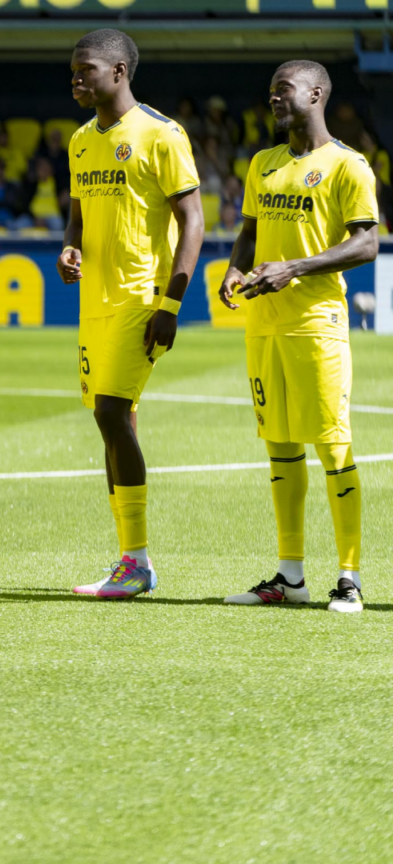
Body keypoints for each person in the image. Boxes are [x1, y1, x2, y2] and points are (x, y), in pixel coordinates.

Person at [217, 60, 380, 613]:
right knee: (280, 446)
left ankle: (350, 577)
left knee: (332, 444)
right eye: (270, 92)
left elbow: (366, 244)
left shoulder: (347, 165)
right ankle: (290, 577)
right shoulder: (262, 163)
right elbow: (250, 231)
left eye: (283, 90)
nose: (274, 99)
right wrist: (236, 269)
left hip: (317, 325)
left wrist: (296, 267)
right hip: (264, 325)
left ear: (315, 93)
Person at [58, 29, 203, 599]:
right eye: (73, 70)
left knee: (112, 414)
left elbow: (193, 221)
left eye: (86, 69)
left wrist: (171, 303)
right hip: (93, 300)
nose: (76, 78)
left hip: (142, 297)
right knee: (110, 419)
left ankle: (137, 561)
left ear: (119, 72)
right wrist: (71, 249)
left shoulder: (161, 135)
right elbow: (77, 218)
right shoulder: (78, 141)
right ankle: (128, 556)